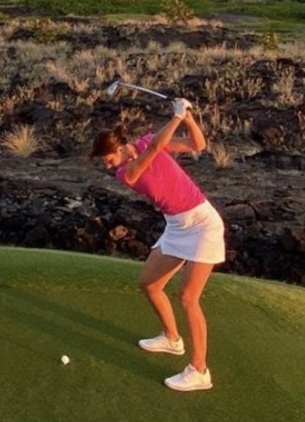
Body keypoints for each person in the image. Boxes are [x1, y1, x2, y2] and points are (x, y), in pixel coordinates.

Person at [90, 98, 225, 392]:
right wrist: (175, 117)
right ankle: (172, 339)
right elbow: (151, 152)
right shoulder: (125, 173)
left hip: (202, 224)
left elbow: (197, 145)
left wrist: (187, 117)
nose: (106, 164)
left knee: (188, 298)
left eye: (107, 157)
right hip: (176, 226)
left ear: (120, 146)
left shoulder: (151, 140)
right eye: (103, 161)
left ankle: (200, 371)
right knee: (150, 284)